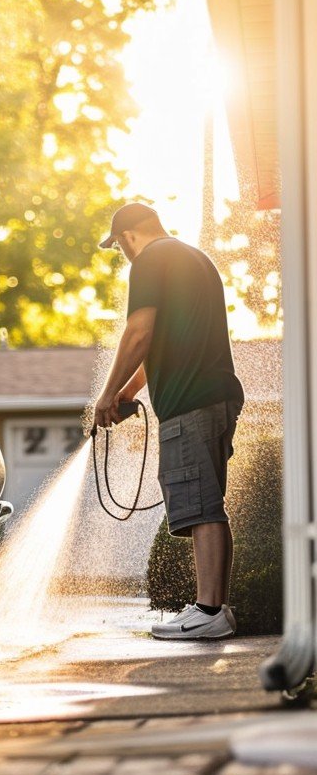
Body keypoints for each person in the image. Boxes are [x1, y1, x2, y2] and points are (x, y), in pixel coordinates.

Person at [92, 202, 244, 640]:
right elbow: (163, 340)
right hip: (215, 396)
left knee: (201, 506)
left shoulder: (149, 261)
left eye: (118, 245)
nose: (121, 252)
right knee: (207, 502)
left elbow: (139, 331)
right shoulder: (194, 259)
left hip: (189, 403)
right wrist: (128, 391)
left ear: (128, 237)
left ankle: (209, 611)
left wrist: (106, 394)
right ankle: (212, 608)